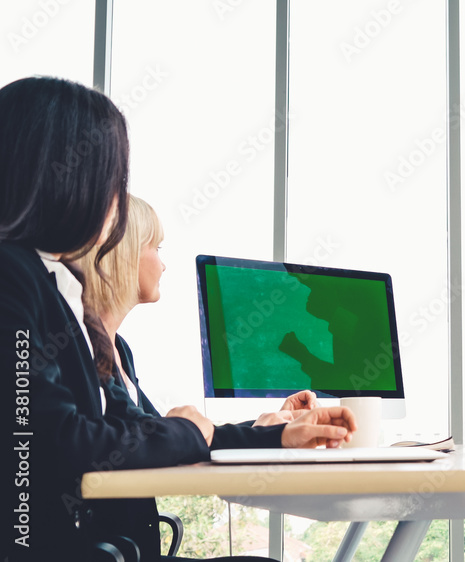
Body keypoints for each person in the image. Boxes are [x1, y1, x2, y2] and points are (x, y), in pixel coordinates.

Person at [1, 77, 355, 562]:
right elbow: (59, 443)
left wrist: (275, 434)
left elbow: (133, 428)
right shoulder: (13, 276)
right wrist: (188, 430)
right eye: (111, 180)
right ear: (61, 176)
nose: (116, 201)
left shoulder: (56, 287)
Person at [77, 194, 313, 426]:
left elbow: (159, 433)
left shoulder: (120, 348)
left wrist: (262, 427)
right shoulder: (83, 347)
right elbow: (157, 438)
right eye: (157, 248)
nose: (164, 265)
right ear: (125, 254)